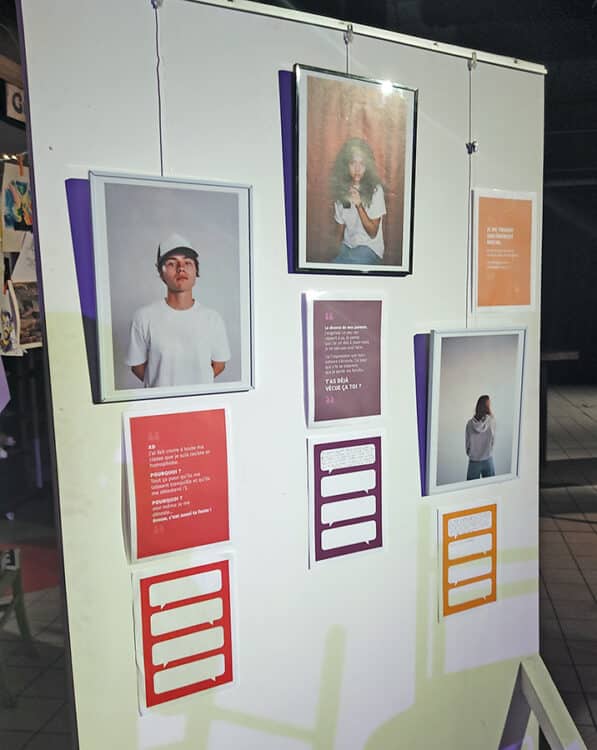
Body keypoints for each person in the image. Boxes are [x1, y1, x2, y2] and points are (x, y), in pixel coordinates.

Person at [127, 233, 230, 388]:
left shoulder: (212, 319)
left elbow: (219, 364)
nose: (181, 268)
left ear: (196, 271)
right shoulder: (143, 317)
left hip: (201, 402)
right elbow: (137, 366)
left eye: (187, 263)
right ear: (161, 273)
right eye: (171, 263)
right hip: (160, 402)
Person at [330, 137, 386, 265]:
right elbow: (339, 230)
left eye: (362, 163)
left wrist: (359, 205)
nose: (357, 169)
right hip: (348, 246)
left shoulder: (376, 190)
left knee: (341, 264)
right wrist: (335, 253)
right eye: (353, 163)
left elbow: (373, 233)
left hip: (369, 247)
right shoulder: (341, 190)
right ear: (346, 165)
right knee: (333, 265)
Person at [465, 395, 496, 480]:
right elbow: (493, 441)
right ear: (487, 406)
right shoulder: (491, 421)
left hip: (474, 461)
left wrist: (472, 454)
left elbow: (467, 444)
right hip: (488, 459)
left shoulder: (469, 424)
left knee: (471, 487)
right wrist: (488, 451)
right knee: (491, 486)